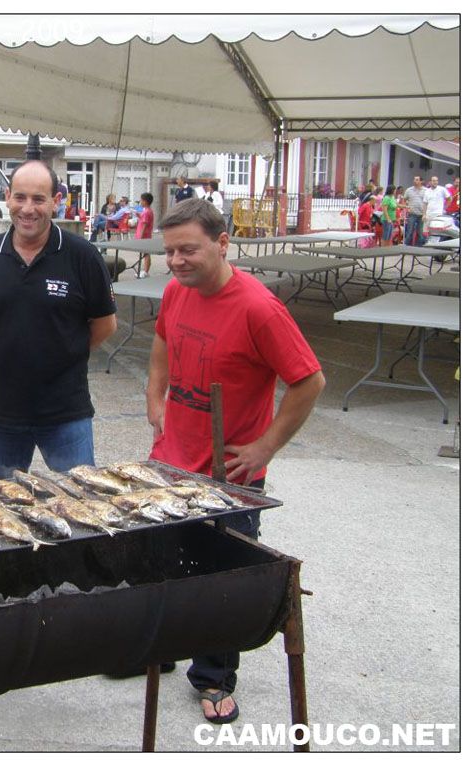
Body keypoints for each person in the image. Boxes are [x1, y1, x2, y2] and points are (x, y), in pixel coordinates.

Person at [146, 198, 325, 726]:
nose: (176, 261)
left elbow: (309, 381)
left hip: (230, 476)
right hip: (170, 461)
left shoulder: (259, 308)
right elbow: (161, 342)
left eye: (189, 250)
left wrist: (266, 446)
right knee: (166, 560)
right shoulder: (178, 290)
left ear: (223, 244)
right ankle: (162, 647)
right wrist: (156, 398)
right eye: (170, 251)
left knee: (221, 573)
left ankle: (214, 677)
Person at [0, 160, 117, 479]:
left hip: (65, 412)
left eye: (38, 199)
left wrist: (65, 350)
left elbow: (105, 324)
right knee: (1, 512)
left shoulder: (83, 257)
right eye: (20, 197)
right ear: (7, 198)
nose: (28, 209)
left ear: (56, 201)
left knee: (81, 506)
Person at [134, 192, 155, 278]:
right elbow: (143, 220)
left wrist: (141, 237)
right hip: (145, 235)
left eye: (141, 200)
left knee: (146, 254)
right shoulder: (147, 211)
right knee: (145, 254)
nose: (140, 202)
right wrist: (139, 215)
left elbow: (145, 225)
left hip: (144, 236)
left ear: (145, 201)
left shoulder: (147, 212)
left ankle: (145, 271)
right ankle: (145, 270)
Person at [403, 176, 427, 246]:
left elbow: (427, 201)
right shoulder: (409, 190)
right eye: (414, 180)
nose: (414, 181)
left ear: (421, 181)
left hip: (421, 214)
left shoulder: (426, 190)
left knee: (420, 232)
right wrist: (406, 207)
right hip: (412, 213)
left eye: (417, 180)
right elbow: (404, 200)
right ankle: (407, 246)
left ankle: (418, 247)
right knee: (409, 231)